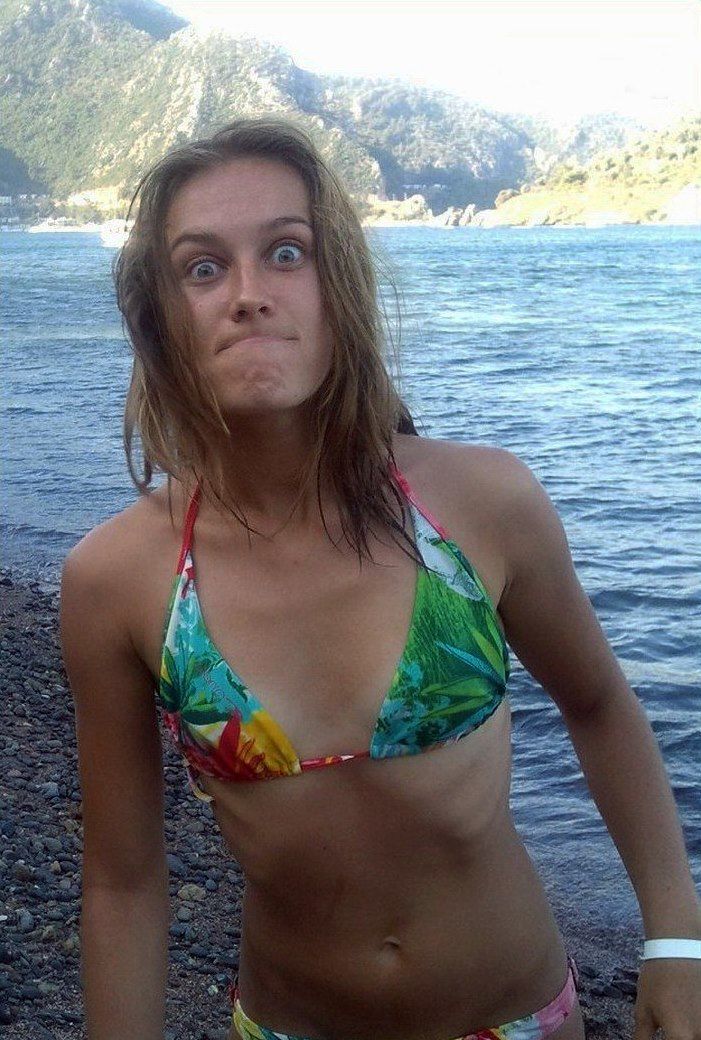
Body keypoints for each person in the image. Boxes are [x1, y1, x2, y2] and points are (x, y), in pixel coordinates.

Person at [59, 117, 700, 1040]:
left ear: (341, 288)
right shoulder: (119, 577)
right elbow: (123, 882)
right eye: (201, 268)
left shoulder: (481, 503)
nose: (248, 294)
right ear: (158, 317)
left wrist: (674, 939)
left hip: (517, 1019)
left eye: (287, 253)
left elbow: (598, 705)